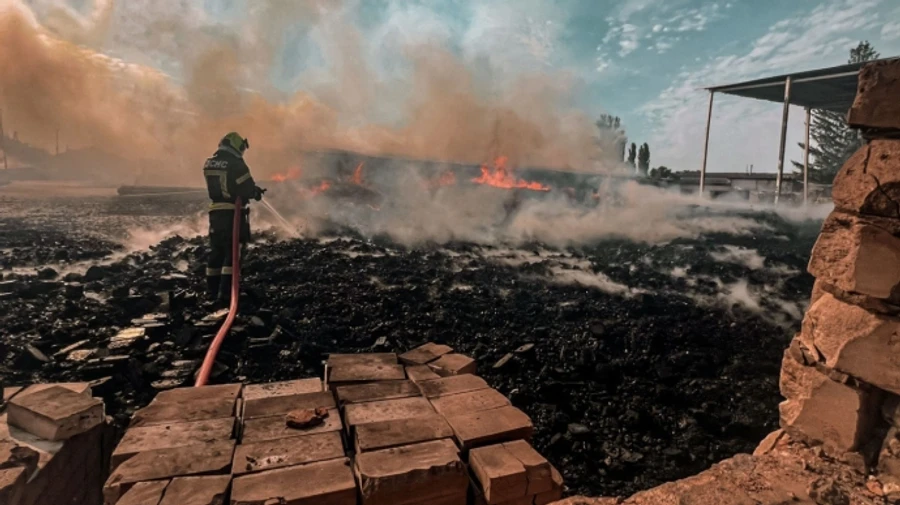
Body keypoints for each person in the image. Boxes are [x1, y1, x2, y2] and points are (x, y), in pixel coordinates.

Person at [203, 132, 265, 305]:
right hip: (233, 214)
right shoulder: (237, 164)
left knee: (216, 252)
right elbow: (246, 189)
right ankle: (226, 293)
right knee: (233, 253)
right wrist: (255, 192)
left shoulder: (210, 162)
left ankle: (212, 291)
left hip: (215, 212)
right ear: (236, 146)